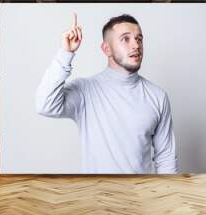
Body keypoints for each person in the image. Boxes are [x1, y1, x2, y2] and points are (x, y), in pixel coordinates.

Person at [36, 13, 177, 174]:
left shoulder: (158, 96)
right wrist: (65, 53)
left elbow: (166, 157)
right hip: (96, 196)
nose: (136, 46)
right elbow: (45, 105)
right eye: (126, 39)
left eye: (139, 39)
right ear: (106, 49)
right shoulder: (85, 91)